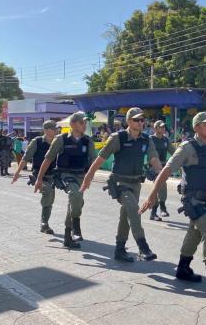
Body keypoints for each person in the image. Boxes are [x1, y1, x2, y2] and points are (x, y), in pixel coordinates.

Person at [140, 112, 206, 295]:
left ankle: (183, 268)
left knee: (195, 233)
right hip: (192, 199)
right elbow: (166, 170)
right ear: (197, 128)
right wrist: (152, 196)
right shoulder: (188, 147)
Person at [81, 108, 162, 262]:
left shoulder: (146, 139)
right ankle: (143, 247)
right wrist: (88, 178)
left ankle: (119, 250)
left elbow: (154, 160)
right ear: (128, 121)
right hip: (119, 182)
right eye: (137, 120)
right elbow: (100, 159)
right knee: (133, 209)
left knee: (126, 215)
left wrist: (159, 171)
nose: (140, 122)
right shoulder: (118, 138)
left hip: (136, 183)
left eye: (142, 119)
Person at [34, 112, 96, 249]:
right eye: (82, 122)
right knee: (75, 194)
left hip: (81, 176)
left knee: (76, 203)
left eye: (85, 123)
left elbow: (93, 162)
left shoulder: (88, 141)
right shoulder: (61, 139)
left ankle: (68, 237)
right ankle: (76, 227)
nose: (84, 125)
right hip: (65, 174)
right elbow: (48, 158)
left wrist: (89, 178)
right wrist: (39, 178)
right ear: (73, 124)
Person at [11, 121, 58, 234]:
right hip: (39, 175)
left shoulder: (58, 142)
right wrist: (17, 173)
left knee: (50, 198)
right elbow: (25, 158)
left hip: (53, 175)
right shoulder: (36, 142)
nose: (57, 130)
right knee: (48, 192)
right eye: (54, 128)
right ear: (46, 130)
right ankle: (44, 223)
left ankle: (45, 222)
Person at [148, 120, 176, 220]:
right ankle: (162, 207)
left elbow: (174, 152)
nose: (163, 128)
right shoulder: (150, 139)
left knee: (159, 187)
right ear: (155, 129)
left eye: (164, 127)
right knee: (161, 185)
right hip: (153, 167)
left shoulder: (165, 140)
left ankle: (154, 212)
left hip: (163, 167)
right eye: (161, 127)